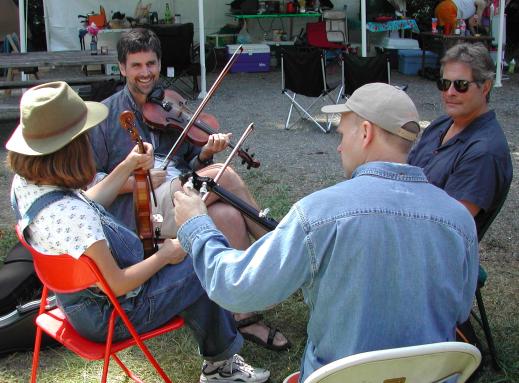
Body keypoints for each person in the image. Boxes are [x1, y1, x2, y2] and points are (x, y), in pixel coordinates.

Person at [173, 83, 480, 381]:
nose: (339, 146)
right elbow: (461, 307)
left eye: (342, 134)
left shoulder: (319, 213)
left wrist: (197, 225)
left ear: (365, 132)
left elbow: (236, 287)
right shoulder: (459, 220)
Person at [6, 81, 270, 383]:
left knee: (189, 261)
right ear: (72, 148)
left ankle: (220, 351)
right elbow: (117, 284)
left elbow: (86, 202)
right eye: (84, 136)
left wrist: (127, 166)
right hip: (111, 314)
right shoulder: (75, 217)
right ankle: (221, 366)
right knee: (202, 260)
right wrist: (166, 256)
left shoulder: (25, 184)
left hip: (73, 301)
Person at [88, 28, 290, 351]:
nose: (146, 73)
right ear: (122, 68)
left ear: (159, 63)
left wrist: (206, 154)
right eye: (137, 65)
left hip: (178, 197)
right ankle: (280, 251)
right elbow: (92, 186)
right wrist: (135, 180)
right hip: (141, 213)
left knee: (228, 215)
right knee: (226, 178)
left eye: (151, 64)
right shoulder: (106, 116)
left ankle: (242, 314)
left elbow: (186, 163)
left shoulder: (166, 105)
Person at [408, 43, 513, 240]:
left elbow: (446, 226)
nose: (450, 92)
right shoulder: (442, 124)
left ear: (486, 87)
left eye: (461, 85)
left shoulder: (484, 152)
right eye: (444, 84)